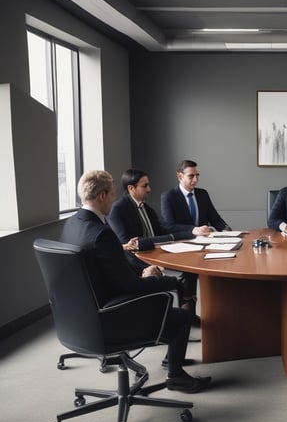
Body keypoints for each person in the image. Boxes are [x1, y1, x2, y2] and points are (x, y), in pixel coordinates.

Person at [61, 170, 211, 394]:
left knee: (166, 291)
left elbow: (109, 266)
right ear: (102, 195)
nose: (114, 198)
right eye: (112, 194)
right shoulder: (102, 233)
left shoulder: (73, 225)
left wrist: (140, 273)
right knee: (181, 315)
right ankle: (175, 376)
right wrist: (162, 281)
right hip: (111, 316)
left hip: (82, 318)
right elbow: (131, 287)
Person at [107, 168, 200, 328]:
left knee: (191, 266)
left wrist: (191, 232)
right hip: (136, 263)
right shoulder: (118, 210)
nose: (149, 189)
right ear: (131, 188)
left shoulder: (147, 209)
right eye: (145, 186)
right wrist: (153, 241)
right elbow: (129, 245)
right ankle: (172, 320)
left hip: (158, 254)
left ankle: (187, 314)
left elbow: (163, 231)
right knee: (175, 281)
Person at [161, 159, 231, 236]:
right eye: (191, 176)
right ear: (180, 176)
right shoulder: (168, 197)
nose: (195, 180)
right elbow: (169, 226)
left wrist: (226, 230)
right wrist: (193, 229)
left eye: (197, 175)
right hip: (182, 242)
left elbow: (215, 218)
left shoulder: (202, 194)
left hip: (204, 241)